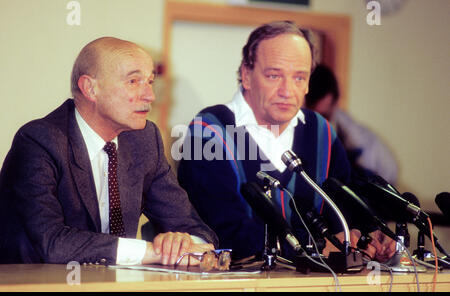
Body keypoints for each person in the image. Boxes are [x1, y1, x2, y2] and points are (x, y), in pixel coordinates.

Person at [177, 21, 395, 263]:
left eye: (299, 77)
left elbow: (345, 208)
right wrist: (317, 248)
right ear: (246, 76)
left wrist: (367, 235)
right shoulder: (209, 129)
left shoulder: (319, 130)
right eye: (274, 75)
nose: (287, 90)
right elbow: (224, 234)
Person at [0, 37, 218, 265]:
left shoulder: (144, 140)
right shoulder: (39, 141)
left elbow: (195, 228)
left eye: (150, 82)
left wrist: (184, 243)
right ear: (90, 88)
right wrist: (155, 252)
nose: (150, 95)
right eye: (134, 81)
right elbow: (52, 243)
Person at [304, 64, 398, 185]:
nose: (317, 123)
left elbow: (388, 172)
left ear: (335, 103)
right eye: (311, 115)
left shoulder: (359, 142)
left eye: (324, 116)